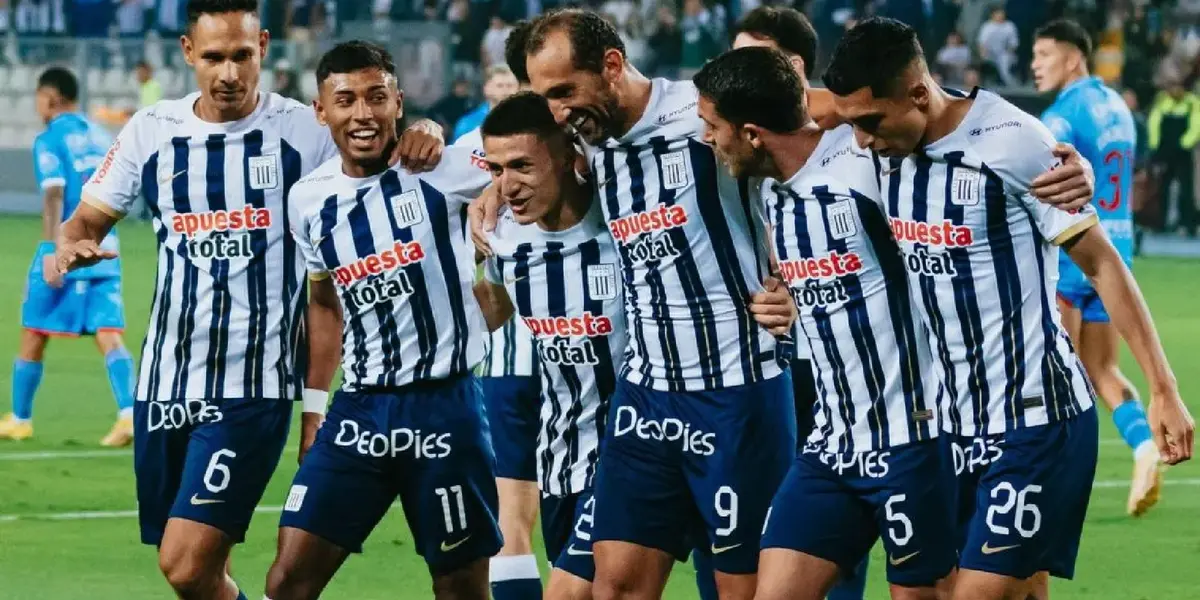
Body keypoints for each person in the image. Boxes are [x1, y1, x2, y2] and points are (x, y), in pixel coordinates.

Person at [53, 1, 446, 597]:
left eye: (242, 55)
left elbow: (377, 140)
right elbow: (84, 222)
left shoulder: (303, 130)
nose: (229, 74)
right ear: (189, 52)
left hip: (253, 386)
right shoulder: (150, 131)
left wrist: (427, 128)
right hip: (163, 382)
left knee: (186, 563)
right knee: (190, 571)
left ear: (263, 46)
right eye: (214, 58)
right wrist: (72, 246)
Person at [823, 17, 1194, 600]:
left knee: (973, 593)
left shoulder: (1012, 142)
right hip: (952, 425)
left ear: (917, 93)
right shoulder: (876, 138)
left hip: (1035, 419)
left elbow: (1101, 263)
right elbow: (786, 101)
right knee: (1006, 589)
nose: (861, 140)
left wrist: (1163, 388)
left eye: (870, 122)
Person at [474, 9, 800, 599]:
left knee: (743, 589)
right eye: (545, 98)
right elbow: (498, 153)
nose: (557, 112)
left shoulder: (700, 112)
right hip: (645, 396)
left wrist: (795, 279)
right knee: (613, 586)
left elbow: (812, 148)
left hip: (738, 390)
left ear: (612, 65)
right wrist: (486, 186)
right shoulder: (587, 140)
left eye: (565, 92)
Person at [694, 45, 956, 600]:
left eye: (712, 127)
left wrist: (1058, 167)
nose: (705, 139)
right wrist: (792, 301)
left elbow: (943, 119)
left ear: (751, 133)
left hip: (916, 436)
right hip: (832, 444)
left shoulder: (866, 164)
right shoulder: (772, 191)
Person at [263, 40, 502, 600]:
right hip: (360, 410)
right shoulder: (308, 200)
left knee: (461, 587)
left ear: (398, 101)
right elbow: (325, 303)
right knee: (288, 580)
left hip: (446, 407)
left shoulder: (442, 168)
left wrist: (438, 132)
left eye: (376, 97)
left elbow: (527, 153)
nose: (363, 114)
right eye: (345, 100)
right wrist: (314, 409)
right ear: (321, 111)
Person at [725, 8, 871, 600]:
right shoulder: (729, 129)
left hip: (857, 368)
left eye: (751, 58)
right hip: (770, 362)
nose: (734, 71)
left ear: (791, 67)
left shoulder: (858, 138)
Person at [474, 90, 627, 600]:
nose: (507, 186)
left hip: (630, 452)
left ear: (567, 155)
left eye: (522, 166)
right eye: (496, 170)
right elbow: (493, 311)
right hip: (560, 459)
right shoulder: (506, 241)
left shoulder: (623, 225)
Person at [1032, 19, 1160, 517]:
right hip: (1117, 255)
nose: (1035, 65)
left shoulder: (1062, 115)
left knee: (1056, 378)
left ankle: (1055, 485)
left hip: (1075, 254)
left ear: (1072, 58)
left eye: (1044, 55)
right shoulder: (1118, 108)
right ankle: (1145, 448)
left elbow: (1046, 171)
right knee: (1101, 367)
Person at [0, 67, 135, 447]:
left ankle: (21, 419)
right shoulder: (100, 135)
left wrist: (51, 252)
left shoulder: (50, 138)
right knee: (108, 332)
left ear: (50, 97)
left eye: (38, 98)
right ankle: (129, 414)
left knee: (33, 326)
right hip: (106, 247)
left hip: (67, 247)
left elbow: (54, 193)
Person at [467, 19, 549, 600]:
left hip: (515, 364)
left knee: (512, 522)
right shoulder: (593, 149)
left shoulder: (479, 153)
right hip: (575, 362)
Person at [453, 64, 521, 143]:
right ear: (486, 89)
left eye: (510, 86)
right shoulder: (467, 124)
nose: (505, 90)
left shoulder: (528, 120)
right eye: (500, 86)